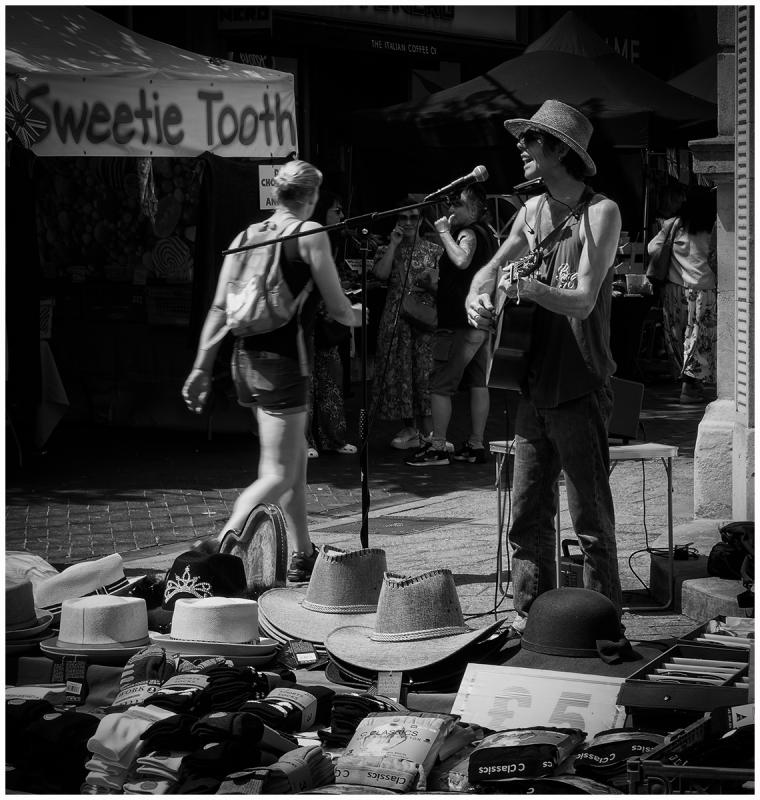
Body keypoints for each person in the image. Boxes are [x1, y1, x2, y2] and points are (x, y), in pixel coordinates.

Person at [465, 100, 623, 634]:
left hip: (579, 381)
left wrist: (530, 288)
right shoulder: (531, 211)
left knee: (589, 517)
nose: (521, 147)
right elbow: (491, 268)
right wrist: (476, 297)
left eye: (530, 140)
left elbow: (583, 300)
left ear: (559, 151)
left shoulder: (600, 213)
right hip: (532, 381)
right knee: (527, 515)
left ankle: (602, 624)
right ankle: (531, 620)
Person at [182, 160, 363, 583]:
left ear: (278, 194)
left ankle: (303, 554)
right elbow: (337, 307)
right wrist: (357, 314)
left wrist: (201, 368)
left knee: (294, 462)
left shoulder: (246, 236)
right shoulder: (309, 234)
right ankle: (215, 550)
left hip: (245, 360)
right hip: (285, 365)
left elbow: (219, 308)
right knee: (278, 474)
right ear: (311, 196)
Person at [406, 184, 496, 466]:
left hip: (459, 323)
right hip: (481, 321)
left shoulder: (468, 233)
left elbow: (462, 260)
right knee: (478, 383)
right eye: (451, 204)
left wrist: (444, 232)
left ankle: (438, 447)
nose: (451, 209)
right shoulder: (489, 234)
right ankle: (475, 445)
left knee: (440, 385)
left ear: (474, 209)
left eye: (458, 205)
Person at [371, 199, 443, 449]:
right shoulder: (387, 249)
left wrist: (429, 285)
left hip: (424, 320)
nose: (409, 222)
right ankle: (411, 428)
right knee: (401, 374)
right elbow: (380, 274)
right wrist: (393, 244)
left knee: (425, 374)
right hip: (396, 319)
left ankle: (432, 432)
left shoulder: (435, 251)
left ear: (421, 220)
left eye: (414, 217)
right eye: (403, 217)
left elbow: (444, 288)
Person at [647, 185, 717, 404]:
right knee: (699, 339)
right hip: (705, 292)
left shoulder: (674, 224)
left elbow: (652, 248)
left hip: (675, 292)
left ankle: (690, 385)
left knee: (680, 337)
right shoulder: (715, 228)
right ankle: (690, 387)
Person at [306, 189, 357, 458]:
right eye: (336, 210)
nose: (341, 215)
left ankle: (332, 438)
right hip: (308, 321)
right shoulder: (309, 239)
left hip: (327, 323)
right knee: (306, 384)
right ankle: (305, 441)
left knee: (330, 380)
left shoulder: (333, 241)